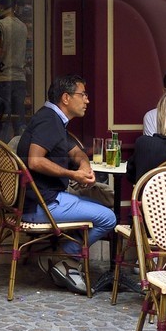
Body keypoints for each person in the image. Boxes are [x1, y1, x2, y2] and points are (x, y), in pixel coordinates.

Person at [16, 74, 117, 293]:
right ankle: (65, 259)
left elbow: (76, 151)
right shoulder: (49, 121)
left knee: (99, 206)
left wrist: (83, 166)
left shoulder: (53, 119)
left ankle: (60, 260)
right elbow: (35, 160)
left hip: (41, 201)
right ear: (66, 98)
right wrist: (74, 176)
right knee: (108, 218)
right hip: (42, 205)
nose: (87, 100)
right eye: (83, 94)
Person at [0, 0, 29, 132]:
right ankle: (20, 150)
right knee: (19, 120)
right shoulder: (23, 27)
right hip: (20, 78)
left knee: (3, 121)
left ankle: (2, 152)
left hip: (2, 78)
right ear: (15, 6)